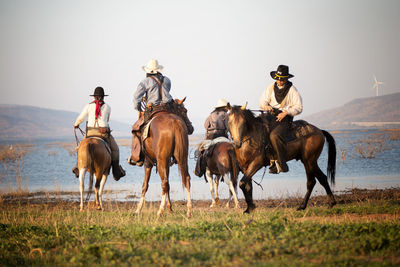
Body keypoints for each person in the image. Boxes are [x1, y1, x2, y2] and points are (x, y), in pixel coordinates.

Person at [72, 87, 126, 180]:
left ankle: (78, 167)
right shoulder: (108, 107)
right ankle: (116, 171)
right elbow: (107, 119)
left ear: (94, 97)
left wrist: (76, 125)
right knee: (116, 149)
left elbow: (81, 118)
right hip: (103, 133)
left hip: (90, 132)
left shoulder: (88, 106)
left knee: (81, 147)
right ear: (103, 97)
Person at [259, 65, 303, 173]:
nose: (279, 81)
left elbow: (299, 107)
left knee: (274, 135)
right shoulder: (270, 88)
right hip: (270, 116)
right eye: (277, 79)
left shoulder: (292, 90)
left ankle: (282, 164)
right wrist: (266, 107)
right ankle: (269, 160)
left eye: (281, 79)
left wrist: (286, 113)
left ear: (286, 78)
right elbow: (262, 102)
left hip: (285, 118)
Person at [130, 59, 174, 166]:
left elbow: (136, 98)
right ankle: (176, 154)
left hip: (152, 110)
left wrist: (139, 108)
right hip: (168, 109)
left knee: (137, 129)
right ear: (158, 70)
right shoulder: (167, 80)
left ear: (148, 71)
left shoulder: (145, 82)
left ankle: (138, 157)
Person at [194, 99, 230, 177]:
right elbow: (228, 126)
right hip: (223, 135)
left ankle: (199, 170)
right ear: (224, 107)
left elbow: (205, 125)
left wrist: (211, 128)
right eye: (227, 107)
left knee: (201, 151)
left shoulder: (211, 115)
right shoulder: (226, 115)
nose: (227, 109)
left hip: (211, 137)